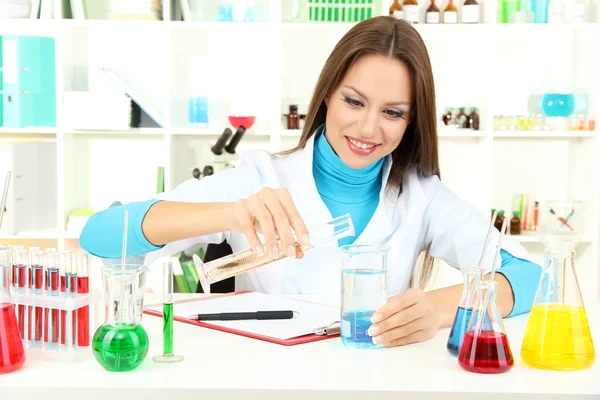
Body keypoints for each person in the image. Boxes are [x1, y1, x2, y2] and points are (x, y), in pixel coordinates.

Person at [80, 16, 541, 348]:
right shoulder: (261, 179)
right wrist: (231, 212)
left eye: (393, 113)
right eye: (354, 102)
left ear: (411, 121)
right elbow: (100, 236)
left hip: (376, 382)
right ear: (326, 95)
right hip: (270, 383)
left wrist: (440, 308)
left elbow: (531, 276)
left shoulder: (422, 197)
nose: (367, 129)